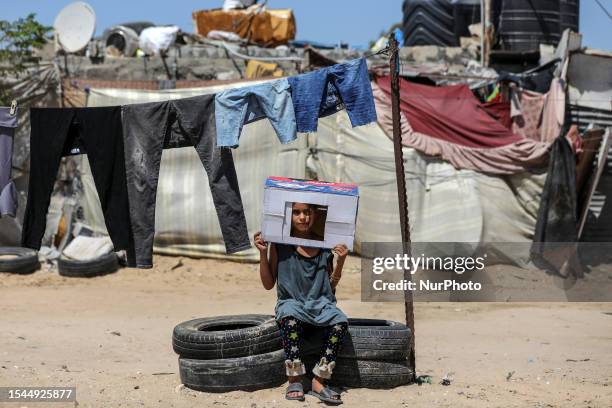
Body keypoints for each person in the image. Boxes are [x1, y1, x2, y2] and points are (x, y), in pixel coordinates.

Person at [254, 202, 349, 405]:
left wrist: (340, 262)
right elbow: (268, 284)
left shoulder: (325, 246)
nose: (302, 217)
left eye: (307, 212)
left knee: (340, 321)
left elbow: (330, 287)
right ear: (289, 215)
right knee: (289, 319)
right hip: (292, 303)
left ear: (314, 215)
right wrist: (263, 252)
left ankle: (318, 380)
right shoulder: (280, 244)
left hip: (321, 304)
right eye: (296, 212)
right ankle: (294, 379)